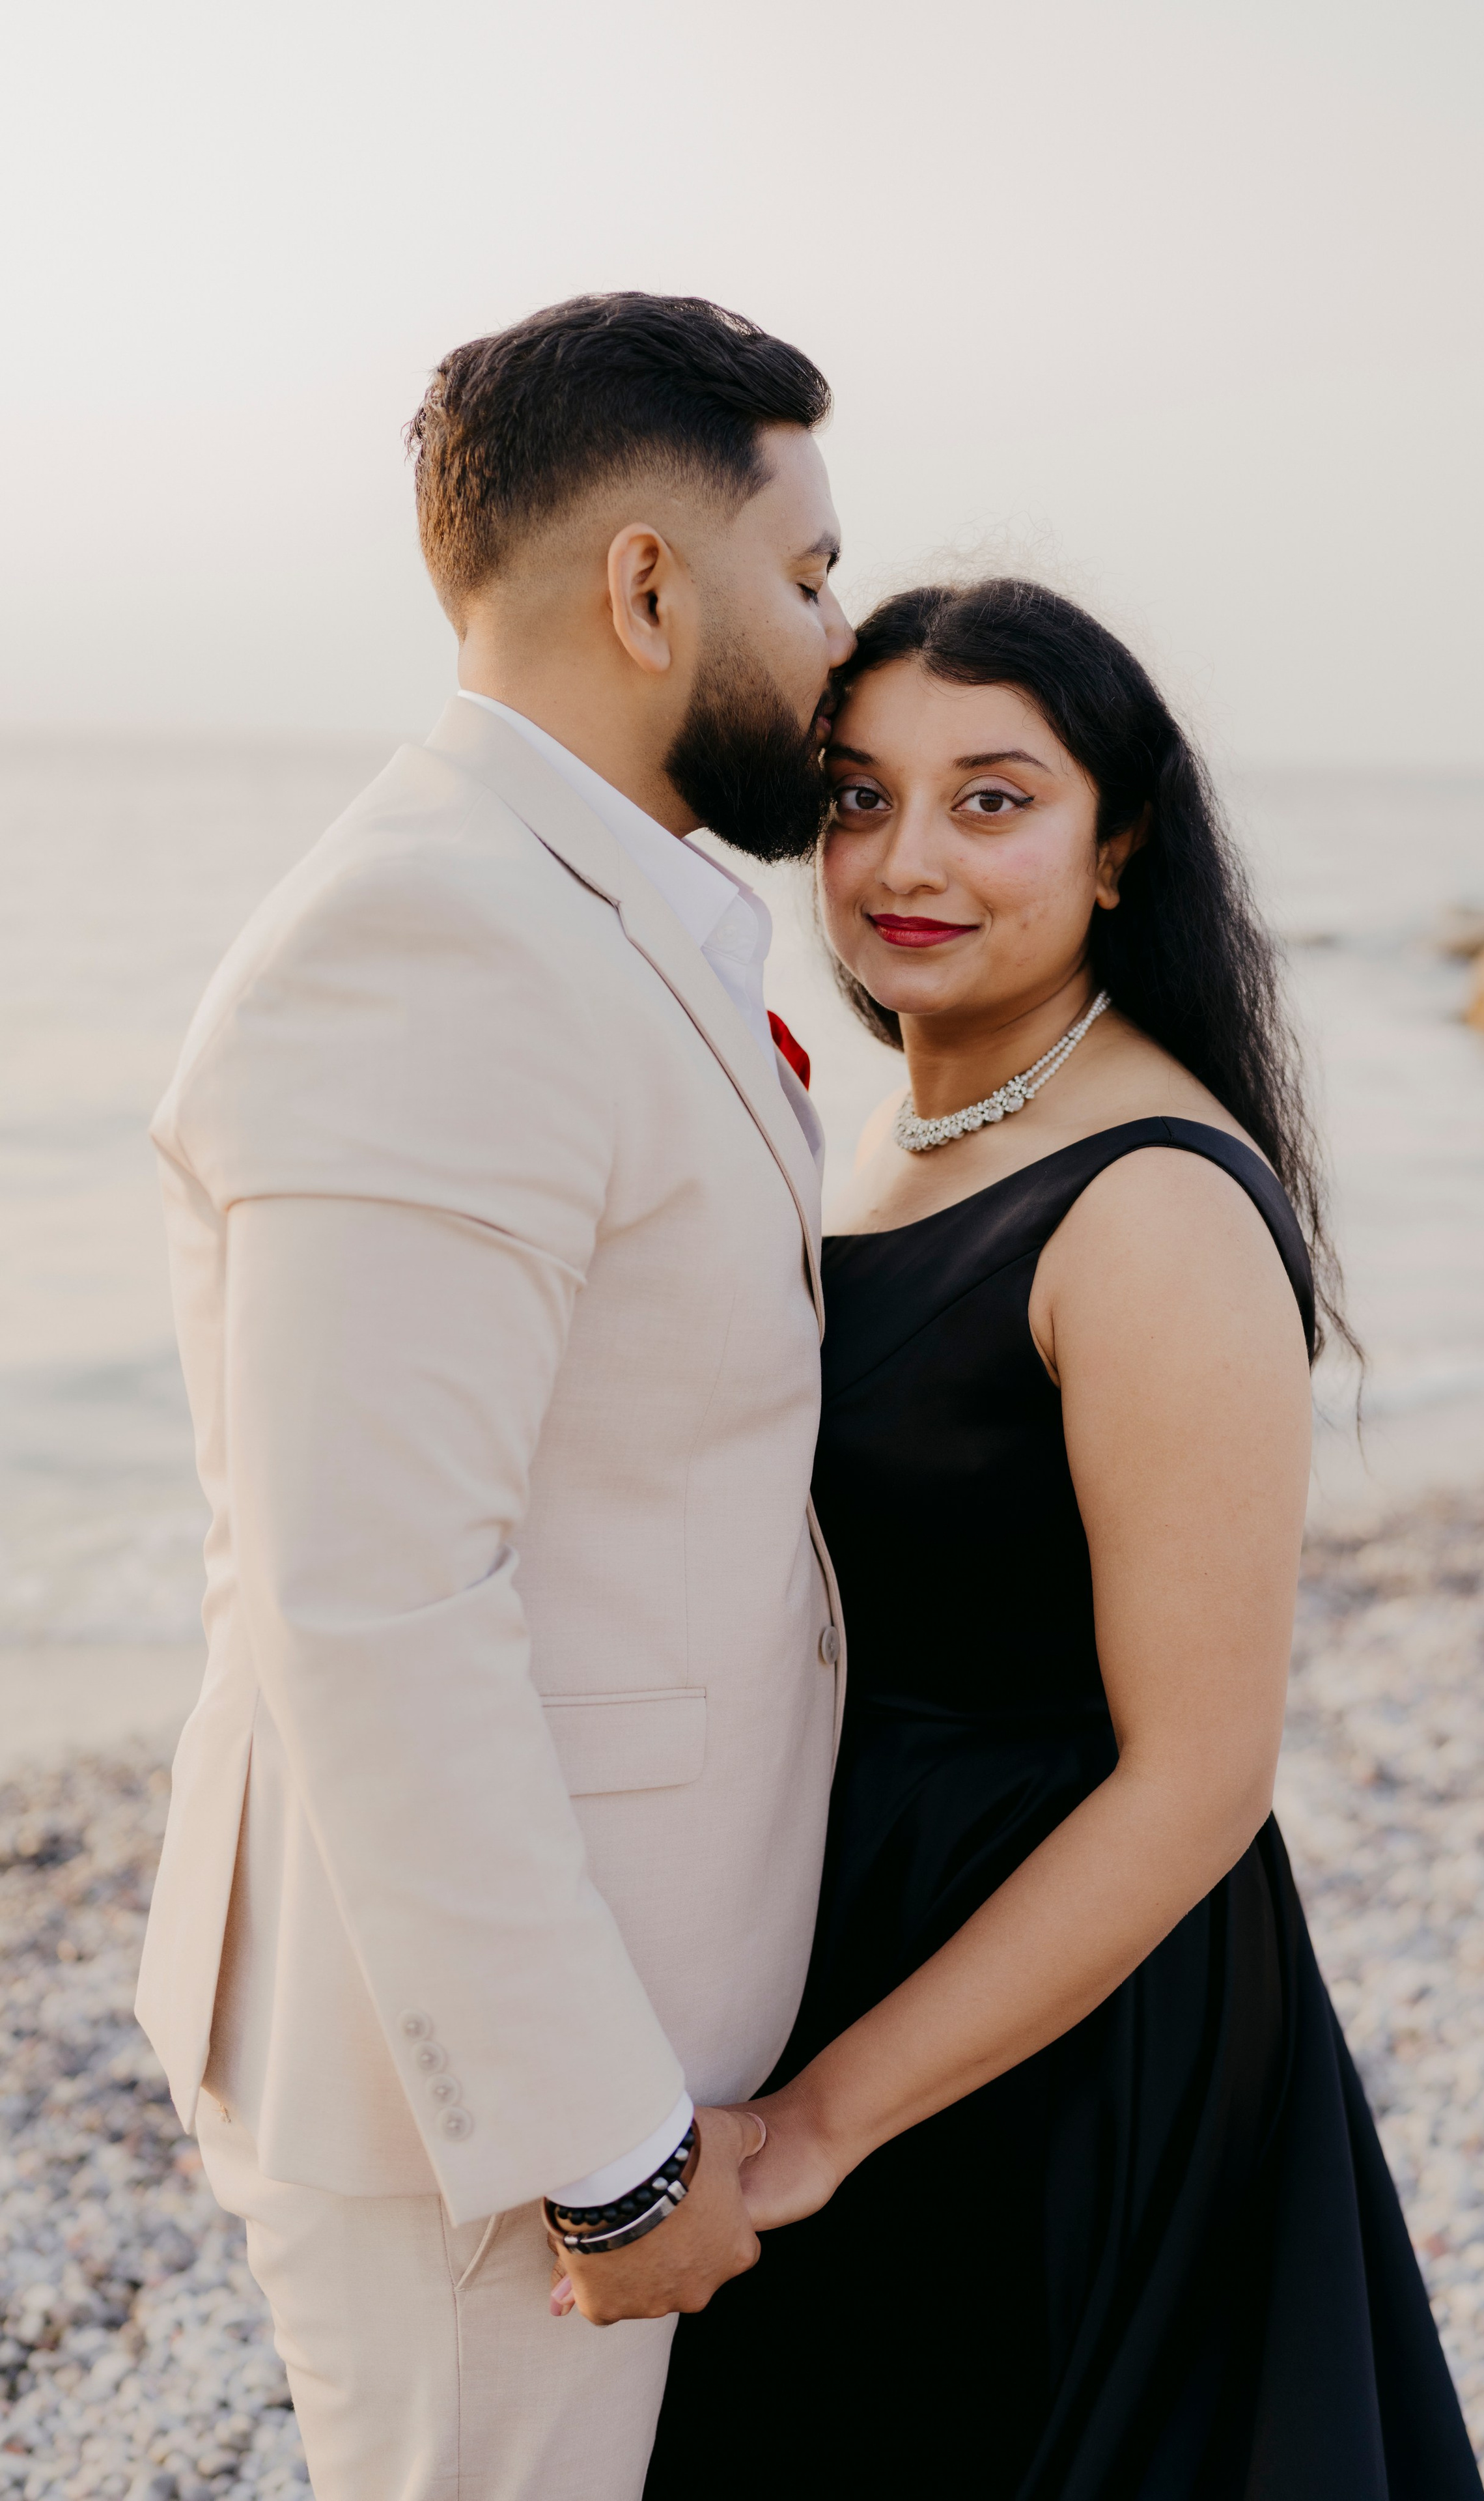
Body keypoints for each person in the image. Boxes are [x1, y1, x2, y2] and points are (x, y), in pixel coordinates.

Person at [644, 579, 1484, 2498]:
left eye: (994, 801)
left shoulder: (1152, 1205)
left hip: (1057, 2020)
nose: (906, 861)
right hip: (866, 1931)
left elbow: (1199, 1777)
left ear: (1121, 848)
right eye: (857, 798)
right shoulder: (890, 1133)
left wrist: (820, 2125)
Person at [134, 291, 856, 2501]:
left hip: (627, 2034)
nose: (842, 642)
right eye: (808, 579)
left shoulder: (592, 911)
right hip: (493, 2129)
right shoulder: (437, 942)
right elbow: (375, 1607)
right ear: (649, 588)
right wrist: (610, 2157)